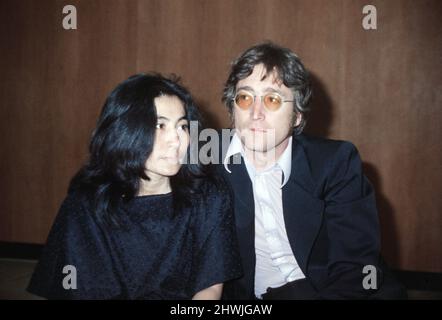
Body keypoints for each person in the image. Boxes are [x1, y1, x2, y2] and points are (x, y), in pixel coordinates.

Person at [27, 73, 242, 299]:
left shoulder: (208, 195)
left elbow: (210, 287)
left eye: (182, 126)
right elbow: (74, 287)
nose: (176, 140)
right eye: (160, 125)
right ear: (127, 131)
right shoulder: (87, 203)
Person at [218, 42, 406, 299]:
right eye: (245, 97)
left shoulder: (335, 163)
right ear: (232, 109)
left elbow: (355, 268)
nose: (255, 113)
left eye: (272, 99)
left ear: (297, 116)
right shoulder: (206, 164)